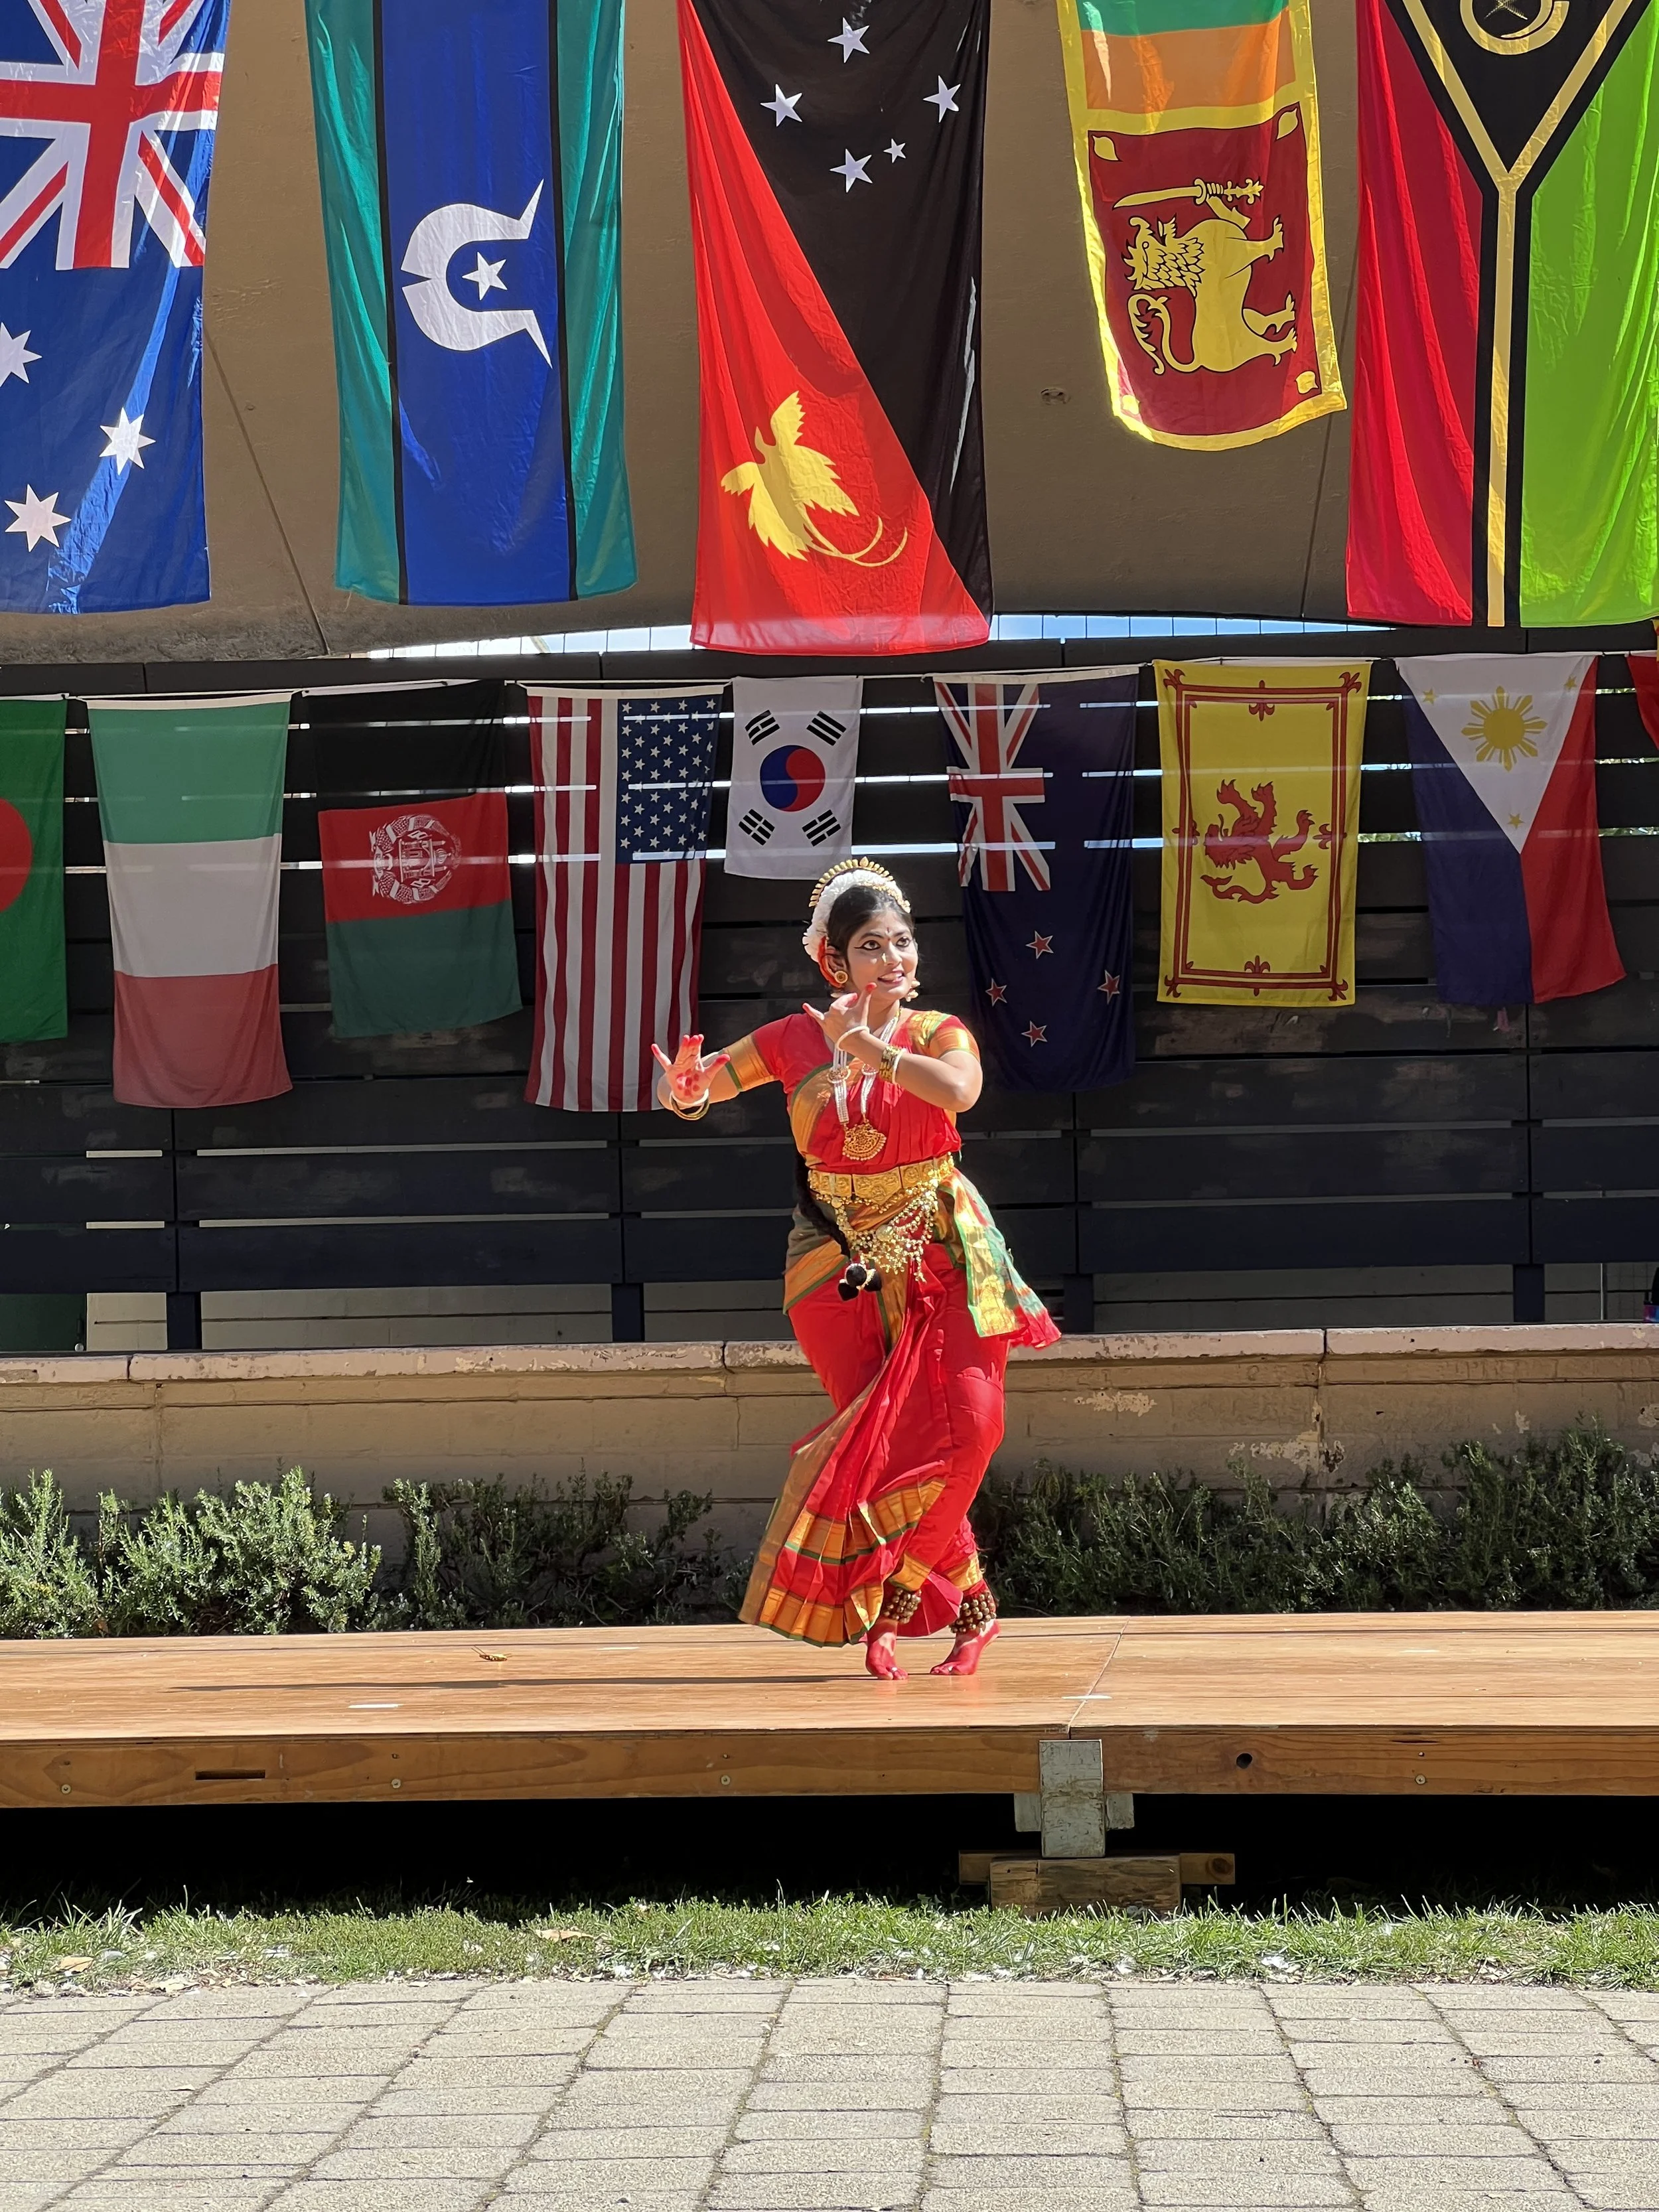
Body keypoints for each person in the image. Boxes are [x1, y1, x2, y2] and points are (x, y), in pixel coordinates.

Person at [652, 858, 1060, 1679]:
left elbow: (960, 1092)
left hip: (941, 1251)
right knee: (881, 1442)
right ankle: (970, 1608)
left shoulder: (935, 1032)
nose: (894, 959)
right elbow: (707, 1088)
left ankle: (907, 1597)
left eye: (903, 943)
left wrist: (869, 1048)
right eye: (872, 945)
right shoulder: (792, 1040)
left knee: (974, 1428)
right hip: (833, 1264)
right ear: (835, 962)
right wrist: (686, 1092)